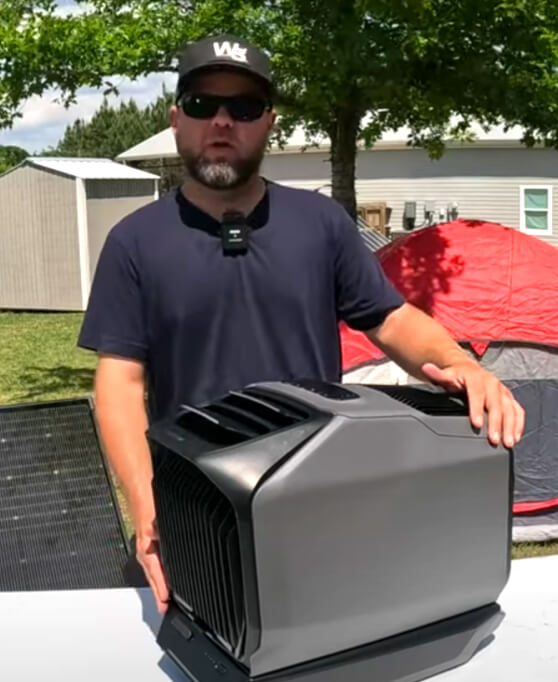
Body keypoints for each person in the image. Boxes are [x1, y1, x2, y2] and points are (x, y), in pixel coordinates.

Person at [78, 34, 525, 613]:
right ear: (176, 119)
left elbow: (390, 319)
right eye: (202, 104)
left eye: (244, 107)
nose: (222, 122)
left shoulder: (321, 223)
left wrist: (463, 364)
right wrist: (147, 505)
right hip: (198, 507)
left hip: (317, 492)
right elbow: (120, 382)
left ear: (269, 123)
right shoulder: (134, 242)